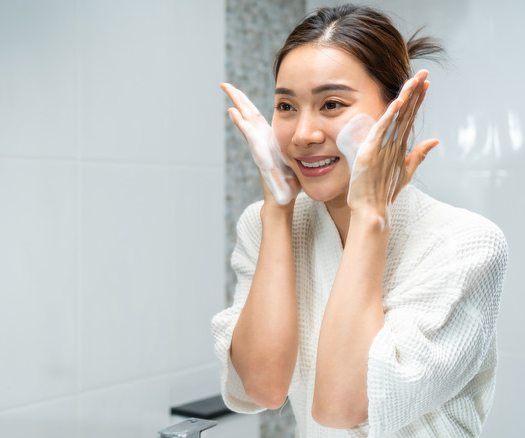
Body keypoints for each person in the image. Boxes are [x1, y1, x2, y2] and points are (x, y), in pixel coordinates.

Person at [211, 4, 508, 437]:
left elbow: (341, 406)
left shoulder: (466, 245)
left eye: (331, 104)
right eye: (286, 105)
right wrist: (276, 210)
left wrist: (370, 215)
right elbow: (262, 388)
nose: (303, 135)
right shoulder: (263, 225)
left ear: (399, 112)